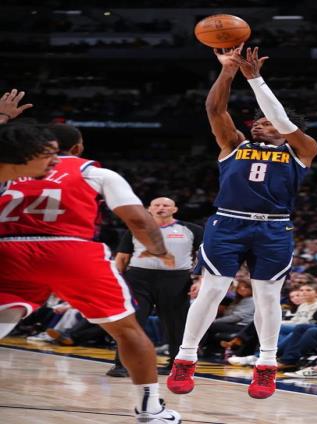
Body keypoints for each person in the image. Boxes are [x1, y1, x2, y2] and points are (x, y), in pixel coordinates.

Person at [0, 123, 181, 423]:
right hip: (70, 250)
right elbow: (138, 219)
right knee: (127, 330)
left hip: (8, 249)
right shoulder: (93, 172)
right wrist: (159, 250)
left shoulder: (14, 171)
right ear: (78, 148)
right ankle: (151, 410)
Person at [167, 45, 317, 400]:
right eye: (256, 121)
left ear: (287, 129)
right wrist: (227, 71)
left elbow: (281, 119)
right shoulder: (234, 143)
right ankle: (185, 358)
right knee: (211, 290)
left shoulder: (302, 149)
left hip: (274, 226)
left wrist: (256, 79)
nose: (258, 124)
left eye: (265, 122)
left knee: (268, 297)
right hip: (228, 223)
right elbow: (214, 109)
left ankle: (266, 365)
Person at [107, 196, 203, 377]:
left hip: (176, 280)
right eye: (157, 205)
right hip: (138, 279)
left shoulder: (192, 230)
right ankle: (121, 365)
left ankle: (175, 364)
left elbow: (204, 257)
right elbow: (122, 258)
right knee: (132, 322)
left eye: (166, 205)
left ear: (174, 209)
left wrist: (200, 280)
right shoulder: (136, 228)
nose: (161, 208)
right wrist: (116, 281)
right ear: (149, 209)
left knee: (176, 324)